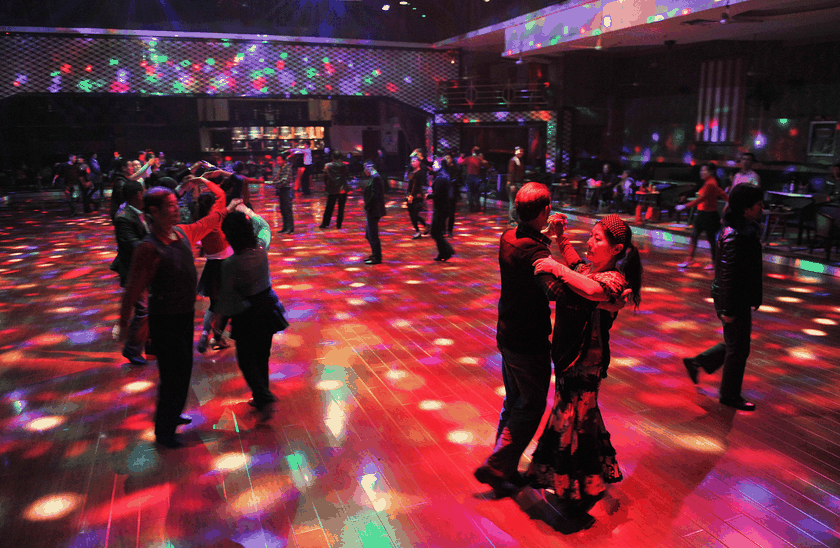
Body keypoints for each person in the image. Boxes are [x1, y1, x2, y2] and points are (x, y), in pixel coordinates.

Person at [473, 183, 614, 498]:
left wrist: (553, 239)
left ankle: (503, 466)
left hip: (506, 334)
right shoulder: (535, 251)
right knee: (532, 404)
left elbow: (533, 250)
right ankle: (497, 465)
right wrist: (592, 291)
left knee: (514, 401)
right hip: (528, 340)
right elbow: (554, 290)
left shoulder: (509, 236)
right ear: (545, 210)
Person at [527, 213, 643, 530]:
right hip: (566, 357)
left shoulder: (614, 281)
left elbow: (592, 291)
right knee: (581, 417)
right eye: (590, 236)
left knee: (572, 419)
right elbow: (576, 264)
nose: (590, 242)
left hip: (586, 362)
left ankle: (576, 489)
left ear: (617, 249)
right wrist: (560, 236)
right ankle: (589, 478)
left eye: (598, 238)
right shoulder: (587, 270)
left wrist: (554, 268)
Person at [118, 180, 238, 449]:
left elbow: (209, 221)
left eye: (176, 204)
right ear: (154, 212)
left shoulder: (182, 233)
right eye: (170, 206)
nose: (177, 209)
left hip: (183, 316)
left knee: (182, 370)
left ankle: (171, 415)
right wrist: (124, 324)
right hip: (166, 319)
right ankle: (164, 431)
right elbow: (133, 289)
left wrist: (226, 208)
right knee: (173, 373)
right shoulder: (148, 249)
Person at [682, 184, 764, 412]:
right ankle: (729, 396)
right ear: (746, 208)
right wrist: (728, 308)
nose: (762, 208)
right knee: (738, 348)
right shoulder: (735, 235)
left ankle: (697, 362)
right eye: (758, 204)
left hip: (738, 296)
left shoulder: (743, 230)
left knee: (736, 343)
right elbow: (727, 275)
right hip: (733, 298)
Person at [217, 208, 283, 420]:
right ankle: (261, 393)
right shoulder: (261, 248)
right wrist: (248, 212)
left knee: (246, 358)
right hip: (268, 307)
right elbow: (265, 227)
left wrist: (218, 327)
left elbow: (227, 299)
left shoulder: (230, 264)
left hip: (247, 314)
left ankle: (262, 393)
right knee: (262, 355)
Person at [111, 180, 149, 365]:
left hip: (146, 268)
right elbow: (132, 245)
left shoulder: (138, 211)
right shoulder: (123, 217)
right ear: (137, 195)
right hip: (133, 270)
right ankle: (131, 349)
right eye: (144, 191)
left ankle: (145, 343)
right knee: (143, 310)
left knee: (149, 308)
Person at [195, 191, 233, 354]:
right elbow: (224, 202)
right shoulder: (214, 220)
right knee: (225, 304)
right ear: (212, 204)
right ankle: (217, 337)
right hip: (223, 266)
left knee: (214, 304)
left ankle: (204, 335)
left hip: (211, 266)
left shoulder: (200, 222)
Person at [676, 162, 728, 269]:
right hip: (703, 214)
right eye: (701, 170)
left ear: (711, 172)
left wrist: (685, 206)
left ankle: (712, 262)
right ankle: (694, 260)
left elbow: (701, 199)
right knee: (698, 237)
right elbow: (721, 193)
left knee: (709, 239)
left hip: (708, 215)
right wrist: (729, 200)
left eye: (704, 170)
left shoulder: (710, 183)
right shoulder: (710, 182)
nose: (701, 172)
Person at [430, 156, 455, 262]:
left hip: (441, 208)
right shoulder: (444, 176)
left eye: (435, 164)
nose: (433, 165)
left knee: (435, 232)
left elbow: (437, 194)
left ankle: (448, 251)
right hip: (444, 208)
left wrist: (428, 196)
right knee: (437, 232)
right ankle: (443, 253)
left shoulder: (441, 178)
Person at [363, 161, 387, 264]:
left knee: (372, 235)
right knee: (369, 235)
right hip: (372, 210)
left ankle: (377, 257)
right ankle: (375, 254)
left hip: (374, 210)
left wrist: (367, 206)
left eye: (365, 169)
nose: (364, 171)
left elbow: (374, 195)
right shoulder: (374, 178)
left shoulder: (376, 178)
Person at [319, 150, 349, 229]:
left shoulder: (327, 165)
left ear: (332, 157)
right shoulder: (343, 165)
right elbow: (345, 175)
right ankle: (338, 225)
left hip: (332, 189)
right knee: (341, 208)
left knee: (329, 207)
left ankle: (325, 223)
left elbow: (325, 176)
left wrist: (326, 185)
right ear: (340, 157)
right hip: (342, 189)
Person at [405, 153, 430, 239]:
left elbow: (416, 185)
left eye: (415, 161)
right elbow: (410, 184)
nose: (413, 163)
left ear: (418, 162)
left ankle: (420, 229)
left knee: (414, 214)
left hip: (416, 195)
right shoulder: (413, 172)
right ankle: (421, 228)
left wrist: (411, 195)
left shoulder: (419, 172)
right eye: (412, 161)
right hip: (411, 195)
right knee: (412, 214)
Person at [458, 146, 489, 212]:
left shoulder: (468, 159)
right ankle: (477, 206)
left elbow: (460, 162)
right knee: (476, 192)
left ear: (472, 152)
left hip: (470, 177)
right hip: (477, 177)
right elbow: (487, 166)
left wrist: (461, 157)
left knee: (469, 192)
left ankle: (471, 206)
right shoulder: (479, 160)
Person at [273, 151, 295, 234]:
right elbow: (278, 178)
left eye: (279, 160)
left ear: (284, 160)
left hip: (287, 190)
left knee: (287, 210)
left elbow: (285, 180)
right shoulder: (282, 168)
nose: (278, 162)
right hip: (282, 190)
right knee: (283, 209)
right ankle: (285, 227)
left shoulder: (287, 167)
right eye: (277, 160)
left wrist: (276, 183)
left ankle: (290, 228)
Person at [507, 147, 525, 225]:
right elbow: (511, 173)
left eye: (522, 151)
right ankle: (511, 220)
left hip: (518, 183)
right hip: (513, 183)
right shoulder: (513, 160)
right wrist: (512, 184)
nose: (520, 152)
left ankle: (517, 219)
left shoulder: (519, 161)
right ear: (515, 152)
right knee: (513, 202)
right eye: (519, 151)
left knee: (518, 202)